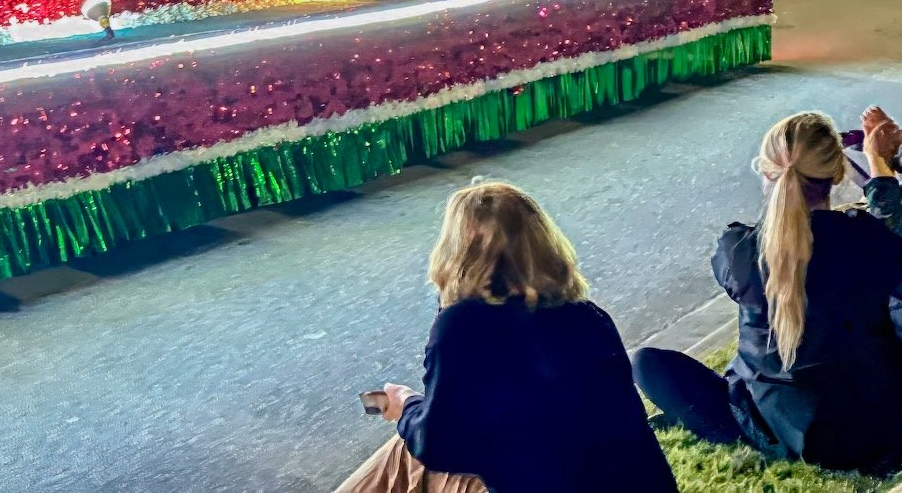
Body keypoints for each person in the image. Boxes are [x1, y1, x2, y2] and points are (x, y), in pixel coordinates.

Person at [340, 181, 675, 493]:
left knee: (404, 451)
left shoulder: (462, 325)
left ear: (457, 251)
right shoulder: (589, 315)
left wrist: (404, 404)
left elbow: (437, 443)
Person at [633, 110, 902, 472]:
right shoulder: (871, 238)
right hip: (885, 423)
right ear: (838, 174)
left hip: (799, 435)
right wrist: (877, 161)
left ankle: (739, 434)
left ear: (766, 173)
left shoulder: (740, 251)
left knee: (646, 363)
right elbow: (891, 221)